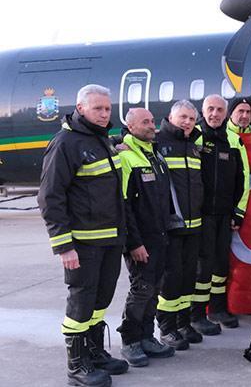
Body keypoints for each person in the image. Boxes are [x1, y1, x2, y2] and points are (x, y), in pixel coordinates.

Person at [38, 83, 129, 386]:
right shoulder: (65, 143)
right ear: (80, 109)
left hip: (109, 240)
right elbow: (50, 197)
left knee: (100, 301)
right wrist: (64, 246)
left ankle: (93, 353)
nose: (105, 114)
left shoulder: (101, 140)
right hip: (83, 244)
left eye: (107, 109)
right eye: (98, 109)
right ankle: (76, 367)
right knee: (80, 303)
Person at [117, 108, 175, 366]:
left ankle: (147, 337)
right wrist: (134, 243)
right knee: (141, 290)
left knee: (154, 289)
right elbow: (124, 205)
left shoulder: (155, 155)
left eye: (153, 121)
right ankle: (130, 341)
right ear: (131, 127)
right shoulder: (126, 157)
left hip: (160, 237)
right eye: (146, 122)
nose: (153, 126)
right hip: (141, 241)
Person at [192, 94, 249, 332]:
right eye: (210, 109)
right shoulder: (191, 135)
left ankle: (217, 309)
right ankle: (197, 314)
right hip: (198, 214)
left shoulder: (234, 140)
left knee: (220, 264)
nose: (214, 114)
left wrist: (238, 212)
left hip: (224, 215)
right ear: (202, 111)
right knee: (201, 266)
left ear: (226, 114)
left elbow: (243, 179)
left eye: (219, 110)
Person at [155, 100, 204, 351]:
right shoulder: (158, 144)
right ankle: (167, 327)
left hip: (193, 226)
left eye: (192, 119)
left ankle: (183, 323)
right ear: (171, 117)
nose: (187, 122)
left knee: (188, 277)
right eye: (183, 117)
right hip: (172, 228)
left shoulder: (194, 146)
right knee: (170, 279)